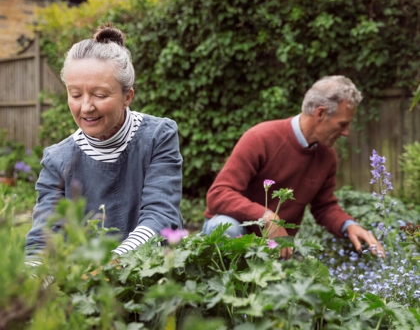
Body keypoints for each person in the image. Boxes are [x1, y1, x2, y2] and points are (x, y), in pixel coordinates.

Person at [25, 23, 183, 262]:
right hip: (84, 284)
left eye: (99, 95)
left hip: (154, 273)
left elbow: (160, 215)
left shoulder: (158, 136)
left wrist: (111, 265)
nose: (86, 107)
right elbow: (44, 238)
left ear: (127, 97)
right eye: (75, 94)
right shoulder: (57, 159)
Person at [202, 75, 384, 259]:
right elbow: (219, 193)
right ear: (320, 114)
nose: (346, 132)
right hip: (236, 233)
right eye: (342, 124)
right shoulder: (260, 138)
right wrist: (266, 217)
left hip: (275, 248)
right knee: (226, 227)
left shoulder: (326, 156)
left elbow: (324, 206)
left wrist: (349, 226)